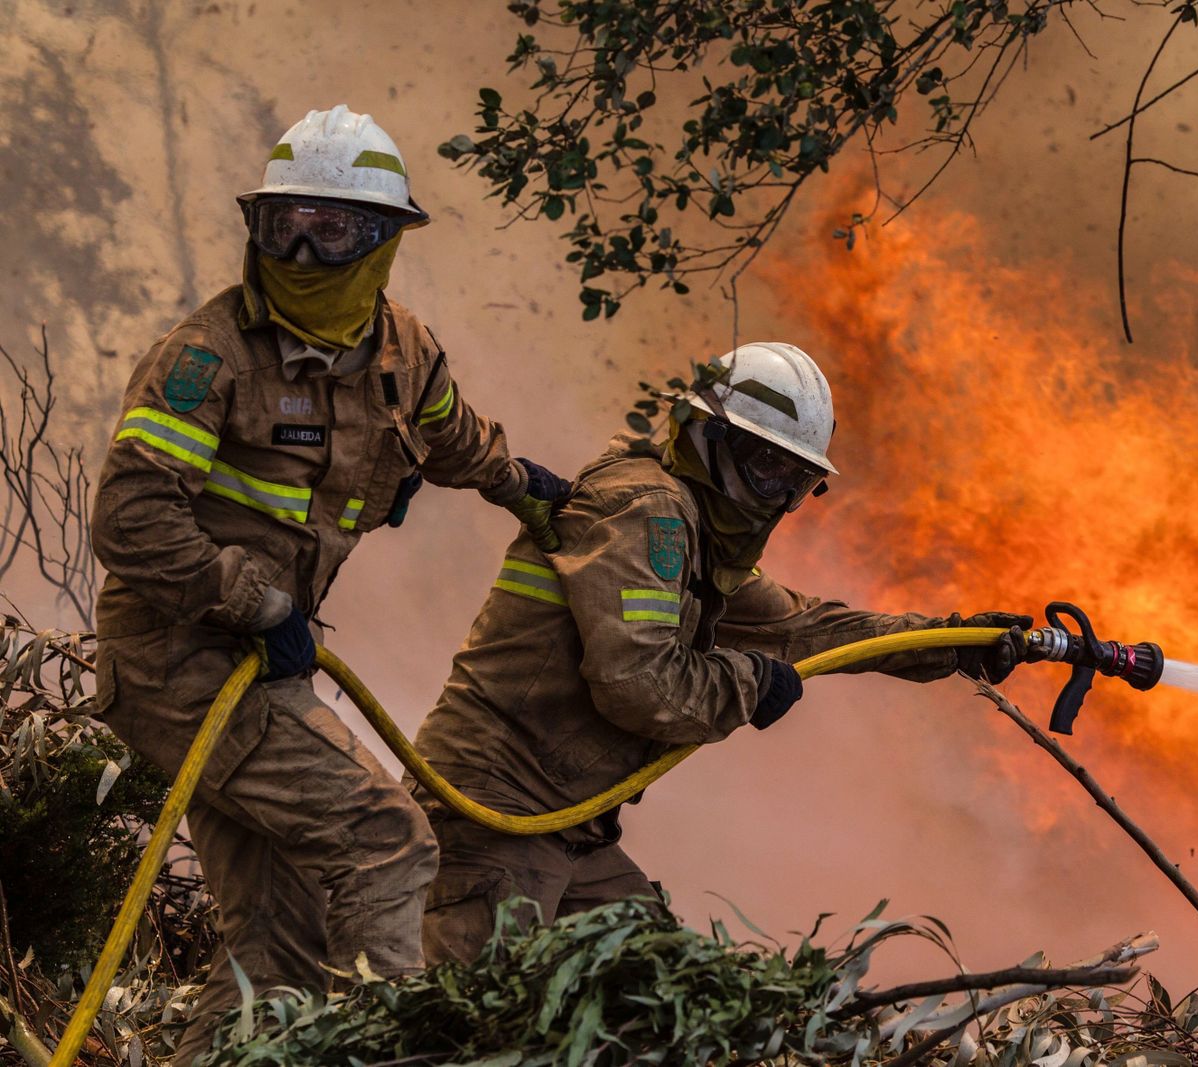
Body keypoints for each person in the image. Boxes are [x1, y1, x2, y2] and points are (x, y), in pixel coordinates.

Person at [89, 105, 567, 1062]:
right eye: (282, 226)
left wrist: (527, 490)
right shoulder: (205, 359)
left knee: (277, 959)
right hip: (181, 662)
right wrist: (256, 600)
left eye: (330, 229)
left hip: (262, 667)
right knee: (387, 838)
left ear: (385, 242)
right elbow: (129, 520)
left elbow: (451, 433)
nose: (301, 254)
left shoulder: (403, 352)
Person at [410, 341, 1031, 963]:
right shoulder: (647, 512)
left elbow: (804, 629)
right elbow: (639, 684)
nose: (774, 493)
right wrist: (747, 681)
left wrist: (953, 643)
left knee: (657, 991)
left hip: (569, 823)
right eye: (765, 465)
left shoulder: (697, 541)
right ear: (707, 439)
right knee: (473, 1034)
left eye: (795, 479)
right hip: (493, 813)